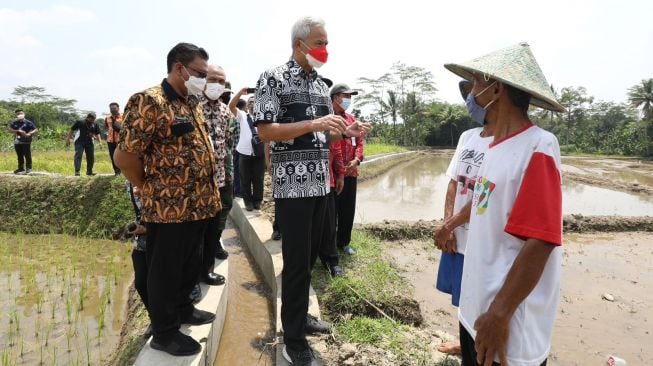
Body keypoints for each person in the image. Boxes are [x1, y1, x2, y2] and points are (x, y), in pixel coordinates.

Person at [253, 16, 370, 365]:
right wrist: (313, 123)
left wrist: (346, 133)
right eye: (320, 42)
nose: (325, 50)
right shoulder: (273, 78)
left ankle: (301, 316)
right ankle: (292, 340)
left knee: (309, 258)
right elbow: (265, 131)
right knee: (295, 261)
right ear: (299, 44)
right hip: (294, 185)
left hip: (321, 183)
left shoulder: (321, 86)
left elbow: (323, 135)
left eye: (327, 43)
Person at [443, 42, 565, 366]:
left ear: (496, 89)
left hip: (506, 327)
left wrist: (499, 315)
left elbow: (540, 239)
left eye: (476, 84)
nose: (472, 93)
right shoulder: (493, 148)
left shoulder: (539, 146)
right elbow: (483, 212)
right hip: (475, 314)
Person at [114, 42, 220, 357]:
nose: (205, 80)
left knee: (190, 262)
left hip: (200, 204)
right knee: (165, 270)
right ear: (179, 68)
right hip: (167, 207)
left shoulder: (191, 102)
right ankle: (164, 331)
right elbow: (125, 156)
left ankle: (184, 308)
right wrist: (146, 186)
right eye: (200, 73)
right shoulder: (150, 101)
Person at [432, 80, 493, 356]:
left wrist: (450, 224)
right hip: (458, 234)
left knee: (483, 300)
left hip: (480, 238)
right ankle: (465, 343)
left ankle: (477, 349)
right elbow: (455, 181)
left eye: (474, 93)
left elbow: (484, 192)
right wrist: (449, 225)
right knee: (464, 297)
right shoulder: (468, 137)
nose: (471, 99)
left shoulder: (503, 142)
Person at [199, 64, 232, 288]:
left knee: (213, 229)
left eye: (221, 81)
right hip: (197, 183)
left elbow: (228, 143)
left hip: (220, 179)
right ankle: (190, 280)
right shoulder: (191, 106)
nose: (217, 85)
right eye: (213, 79)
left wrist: (228, 174)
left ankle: (206, 270)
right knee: (195, 233)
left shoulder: (224, 110)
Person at [331, 83, 364, 255]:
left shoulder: (352, 119)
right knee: (331, 212)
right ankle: (329, 246)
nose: (349, 100)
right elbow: (333, 145)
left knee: (347, 210)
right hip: (333, 174)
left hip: (351, 172)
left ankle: (344, 242)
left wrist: (356, 160)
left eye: (350, 97)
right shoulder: (329, 118)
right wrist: (340, 172)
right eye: (346, 96)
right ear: (335, 98)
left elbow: (359, 143)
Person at [125, 182, 153, 339]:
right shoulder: (129, 184)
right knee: (141, 283)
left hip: (161, 237)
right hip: (142, 240)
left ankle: (164, 319)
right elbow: (139, 211)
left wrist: (148, 229)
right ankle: (154, 318)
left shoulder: (157, 177)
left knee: (159, 283)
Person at [230, 92, 265, 211]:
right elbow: (231, 106)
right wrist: (240, 92)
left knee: (258, 179)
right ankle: (248, 202)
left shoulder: (264, 117)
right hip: (244, 152)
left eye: (254, 101)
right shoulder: (242, 116)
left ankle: (257, 201)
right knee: (245, 179)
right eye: (250, 102)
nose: (252, 103)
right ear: (247, 105)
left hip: (259, 153)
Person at [7, 109, 37, 174]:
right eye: (18, 114)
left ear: (24, 114)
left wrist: (30, 133)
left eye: (21, 113)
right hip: (17, 141)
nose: (19, 115)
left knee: (27, 155)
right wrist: (17, 131)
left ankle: (29, 168)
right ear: (16, 115)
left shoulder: (28, 122)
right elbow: (9, 130)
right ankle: (20, 168)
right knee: (19, 155)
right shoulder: (14, 122)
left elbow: (35, 129)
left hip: (26, 141)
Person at [105, 102, 123, 176]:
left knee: (121, 156)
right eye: (111, 108)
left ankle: (124, 171)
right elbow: (107, 127)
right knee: (113, 157)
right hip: (110, 140)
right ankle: (117, 172)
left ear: (118, 108)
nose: (112, 110)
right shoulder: (107, 118)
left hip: (120, 140)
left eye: (114, 108)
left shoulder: (123, 117)